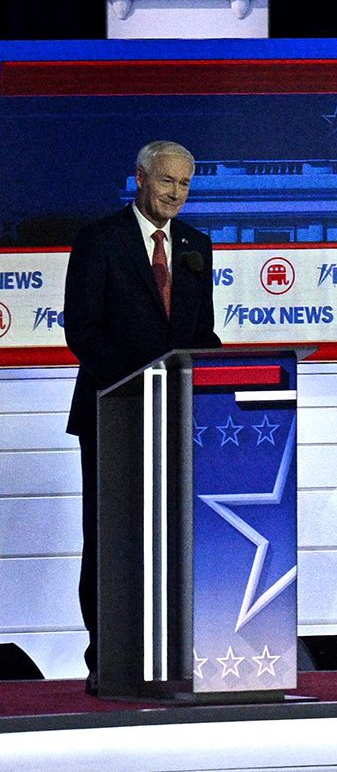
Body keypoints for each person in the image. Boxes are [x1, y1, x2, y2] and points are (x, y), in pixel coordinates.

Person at [63, 141, 220, 680]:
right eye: (166, 181)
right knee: (111, 537)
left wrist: (217, 370)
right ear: (139, 178)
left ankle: (172, 653)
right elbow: (82, 329)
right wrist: (136, 384)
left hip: (177, 416)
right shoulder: (99, 240)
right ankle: (107, 658)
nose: (175, 193)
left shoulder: (198, 245)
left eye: (184, 185)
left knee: (175, 535)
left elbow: (202, 333)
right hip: (115, 412)